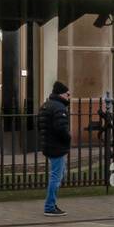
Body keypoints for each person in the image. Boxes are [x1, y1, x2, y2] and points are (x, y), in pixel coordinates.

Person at [38, 80, 71, 215]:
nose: (69, 97)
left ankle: (51, 205)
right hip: (57, 146)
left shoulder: (46, 105)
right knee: (56, 176)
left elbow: (39, 125)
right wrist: (68, 138)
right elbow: (61, 128)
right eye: (68, 94)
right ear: (62, 94)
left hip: (49, 144)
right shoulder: (59, 108)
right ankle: (50, 206)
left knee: (59, 174)